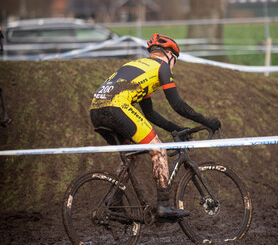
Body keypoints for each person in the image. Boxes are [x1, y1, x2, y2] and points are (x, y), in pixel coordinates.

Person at [90, 33, 221, 218]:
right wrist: (207, 121)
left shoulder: (138, 67)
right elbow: (177, 105)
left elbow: (150, 113)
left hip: (96, 109)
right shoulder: (162, 67)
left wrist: (174, 128)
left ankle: (114, 200)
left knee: (131, 157)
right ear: (168, 54)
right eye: (175, 59)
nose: (174, 63)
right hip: (116, 107)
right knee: (158, 150)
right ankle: (164, 204)